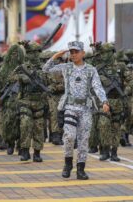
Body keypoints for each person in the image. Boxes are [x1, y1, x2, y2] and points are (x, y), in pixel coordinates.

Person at [43, 41, 109, 180]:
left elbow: (97, 87)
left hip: (85, 108)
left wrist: (104, 101)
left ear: (83, 53)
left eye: (76, 52)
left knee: (84, 139)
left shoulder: (91, 70)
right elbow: (46, 69)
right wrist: (56, 56)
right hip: (70, 107)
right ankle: (68, 164)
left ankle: (81, 168)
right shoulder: (66, 67)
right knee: (69, 136)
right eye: (71, 52)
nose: (73, 55)